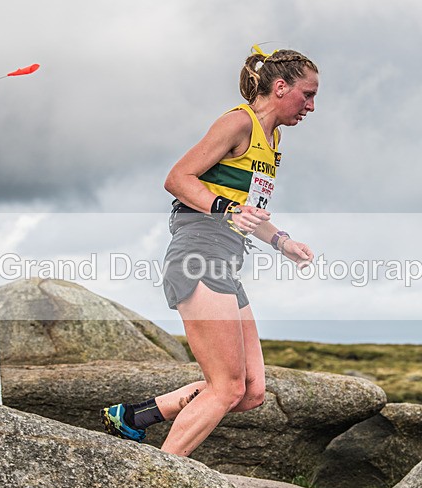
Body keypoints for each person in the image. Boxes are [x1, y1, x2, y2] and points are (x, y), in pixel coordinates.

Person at [103, 46, 318, 457]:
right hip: (198, 254)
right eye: (307, 94)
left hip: (225, 261)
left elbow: (247, 211)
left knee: (251, 391)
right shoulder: (239, 123)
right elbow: (178, 178)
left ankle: (134, 418)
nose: (311, 105)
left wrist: (283, 242)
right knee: (225, 387)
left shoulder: (272, 139)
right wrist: (227, 209)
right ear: (279, 87)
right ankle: (162, 477)